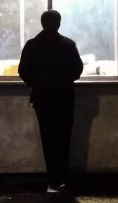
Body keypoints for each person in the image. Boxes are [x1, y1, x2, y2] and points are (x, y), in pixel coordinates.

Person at [18, 10, 84, 192]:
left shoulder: (32, 45)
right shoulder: (68, 45)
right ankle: (61, 179)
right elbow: (77, 70)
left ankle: (52, 181)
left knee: (48, 138)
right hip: (64, 96)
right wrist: (63, 81)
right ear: (59, 23)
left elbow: (23, 71)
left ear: (42, 23)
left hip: (42, 98)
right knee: (64, 137)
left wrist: (37, 84)